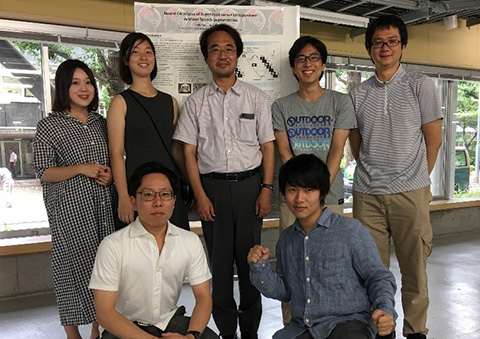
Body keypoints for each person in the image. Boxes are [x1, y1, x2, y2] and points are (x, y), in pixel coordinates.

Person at [173, 24, 275, 339]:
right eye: (215, 49)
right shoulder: (196, 102)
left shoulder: (256, 98)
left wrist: (266, 189)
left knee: (250, 265)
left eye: (229, 48)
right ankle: (227, 332)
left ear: (238, 54)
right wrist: (200, 196)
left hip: (250, 189)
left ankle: (251, 332)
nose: (222, 55)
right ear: (207, 57)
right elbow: (188, 153)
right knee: (218, 269)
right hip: (212, 190)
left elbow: (267, 146)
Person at [349, 15, 443, 339]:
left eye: (391, 41)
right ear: (369, 49)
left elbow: (434, 138)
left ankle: (415, 332)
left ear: (402, 46)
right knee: (372, 273)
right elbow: (356, 143)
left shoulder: (421, 84)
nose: (384, 47)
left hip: (411, 194)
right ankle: (381, 330)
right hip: (367, 195)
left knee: (414, 271)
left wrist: (417, 178)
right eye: (377, 42)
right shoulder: (358, 93)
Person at [248, 154, 397, 339]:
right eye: (292, 189)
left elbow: (378, 276)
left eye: (309, 190)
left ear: (323, 193)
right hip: (304, 327)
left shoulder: (350, 231)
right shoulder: (286, 240)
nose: (299, 198)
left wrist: (385, 309)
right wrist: (260, 267)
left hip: (349, 323)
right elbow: (284, 291)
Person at [271, 36, 356, 325]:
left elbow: (337, 149)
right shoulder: (281, 106)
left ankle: (332, 324)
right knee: (292, 263)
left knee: (332, 264)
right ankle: (293, 325)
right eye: (301, 59)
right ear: (294, 68)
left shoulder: (341, 102)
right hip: (292, 198)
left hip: (329, 198)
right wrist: (301, 191)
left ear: (322, 65)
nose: (308, 64)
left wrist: (317, 192)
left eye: (314, 58)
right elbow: (284, 152)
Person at [33, 59, 115, 339]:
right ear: (64, 87)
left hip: (103, 206)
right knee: (71, 267)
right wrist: (81, 168)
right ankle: (72, 333)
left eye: (89, 82)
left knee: (104, 267)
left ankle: (97, 328)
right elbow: (43, 171)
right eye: (76, 83)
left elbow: (114, 159)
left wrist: (109, 175)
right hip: (70, 209)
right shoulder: (49, 125)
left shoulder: (100, 123)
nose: (84, 89)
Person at [89, 161, 218, 339]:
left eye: (165, 194)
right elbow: (105, 313)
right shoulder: (113, 245)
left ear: (173, 201)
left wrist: (191, 336)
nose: (158, 202)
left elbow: (204, 297)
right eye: (148, 195)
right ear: (134, 202)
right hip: (123, 326)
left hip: (167, 321)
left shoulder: (190, 241)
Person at [108, 32, 189, 231]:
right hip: (138, 189)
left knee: (175, 248)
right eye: (136, 52)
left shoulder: (170, 102)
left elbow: (176, 150)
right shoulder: (120, 102)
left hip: (169, 188)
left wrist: (191, 187)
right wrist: (124, 197)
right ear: (126, 60)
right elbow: (116, 154)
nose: (143, 57)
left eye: (148, 52)